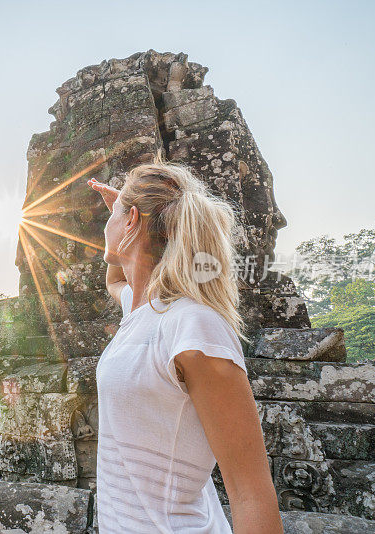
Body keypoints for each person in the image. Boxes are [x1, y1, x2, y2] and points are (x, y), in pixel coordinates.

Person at [87, 153, 283, 533]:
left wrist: (126, 218)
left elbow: (251, 492)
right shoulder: (141, 310)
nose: (104, 225)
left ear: (131, 221)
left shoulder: (193, 326)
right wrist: (123, 211)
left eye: (114, 216)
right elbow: (115, 282)